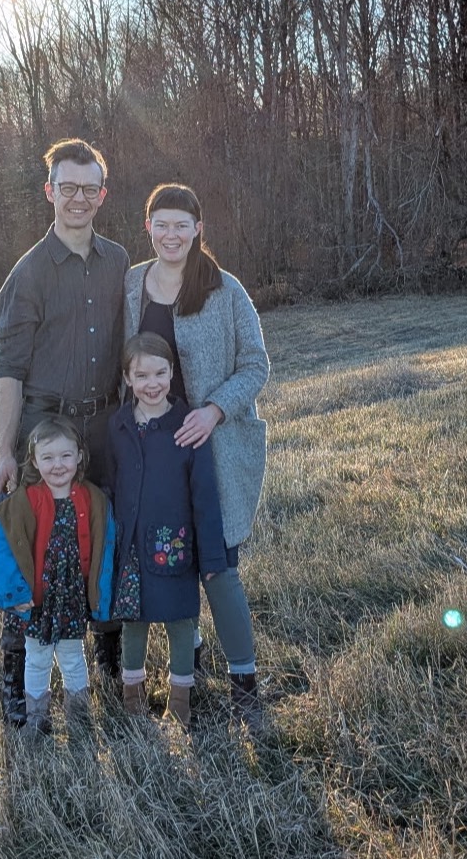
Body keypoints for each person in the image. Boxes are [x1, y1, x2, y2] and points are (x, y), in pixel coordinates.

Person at [0, 138, 129, 727]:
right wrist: (5, 450)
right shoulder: (27, 275)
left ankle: (109, 658)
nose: (78, 198)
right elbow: (8, 371)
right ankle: (19, 680)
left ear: (103, 194)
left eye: (88, 188)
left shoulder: (119, 261)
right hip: (45, 430)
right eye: (67, 187)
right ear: (49, 191)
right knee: (36, 549)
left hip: (104, 424)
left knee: (103, 539)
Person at [123, 183, 271, 709]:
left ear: (198, 229)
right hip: (152, 448)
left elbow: (256, 365)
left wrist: (213, 410)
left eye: (181, 225)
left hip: (213, 446)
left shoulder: (226, 290)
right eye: (161, 224)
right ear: (148, 228)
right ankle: (192, 658)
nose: (171, 235)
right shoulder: (132, 284)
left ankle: (245, 684)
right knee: (162, 554)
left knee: (217, 563)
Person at [108, 331, 227, 727]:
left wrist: (211, 557)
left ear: (172, 372)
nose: (152, 384)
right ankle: (132, 697)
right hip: (130, 545)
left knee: (180, 620)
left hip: (174, 542)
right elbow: (111, 485)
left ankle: (180, 702)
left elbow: (205, 496)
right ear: (127, 378)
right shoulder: (118, 425)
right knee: (133, 620)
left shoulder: (188, 424)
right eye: (141, 375)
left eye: (160, 373)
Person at [0, 416, 115, 736]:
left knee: (73, 657)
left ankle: (80, 720)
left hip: (71, 599)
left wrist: (100, 594)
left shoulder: (92, 499)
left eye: (65, 455)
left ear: (79, 456)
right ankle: (37, 719)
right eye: (48, 457)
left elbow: (106, 546)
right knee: (36, 658)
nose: (58, 465)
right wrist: (14, 593)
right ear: (34, 460)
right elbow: (2, 547)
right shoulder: (25, 501)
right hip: (37, 600)